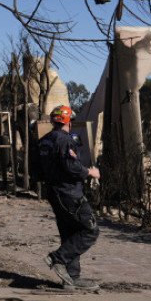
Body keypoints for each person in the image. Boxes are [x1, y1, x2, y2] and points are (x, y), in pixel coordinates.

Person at [37, 104, 101, 290]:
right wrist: (89, 172)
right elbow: (72, 167)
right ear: (68, 122)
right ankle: (57, 258)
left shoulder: (44, 141)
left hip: (54, 193)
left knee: (70, 234)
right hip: (70, 194)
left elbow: (35, 168)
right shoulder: (64, 140)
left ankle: (71, 277)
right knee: (90, 231)